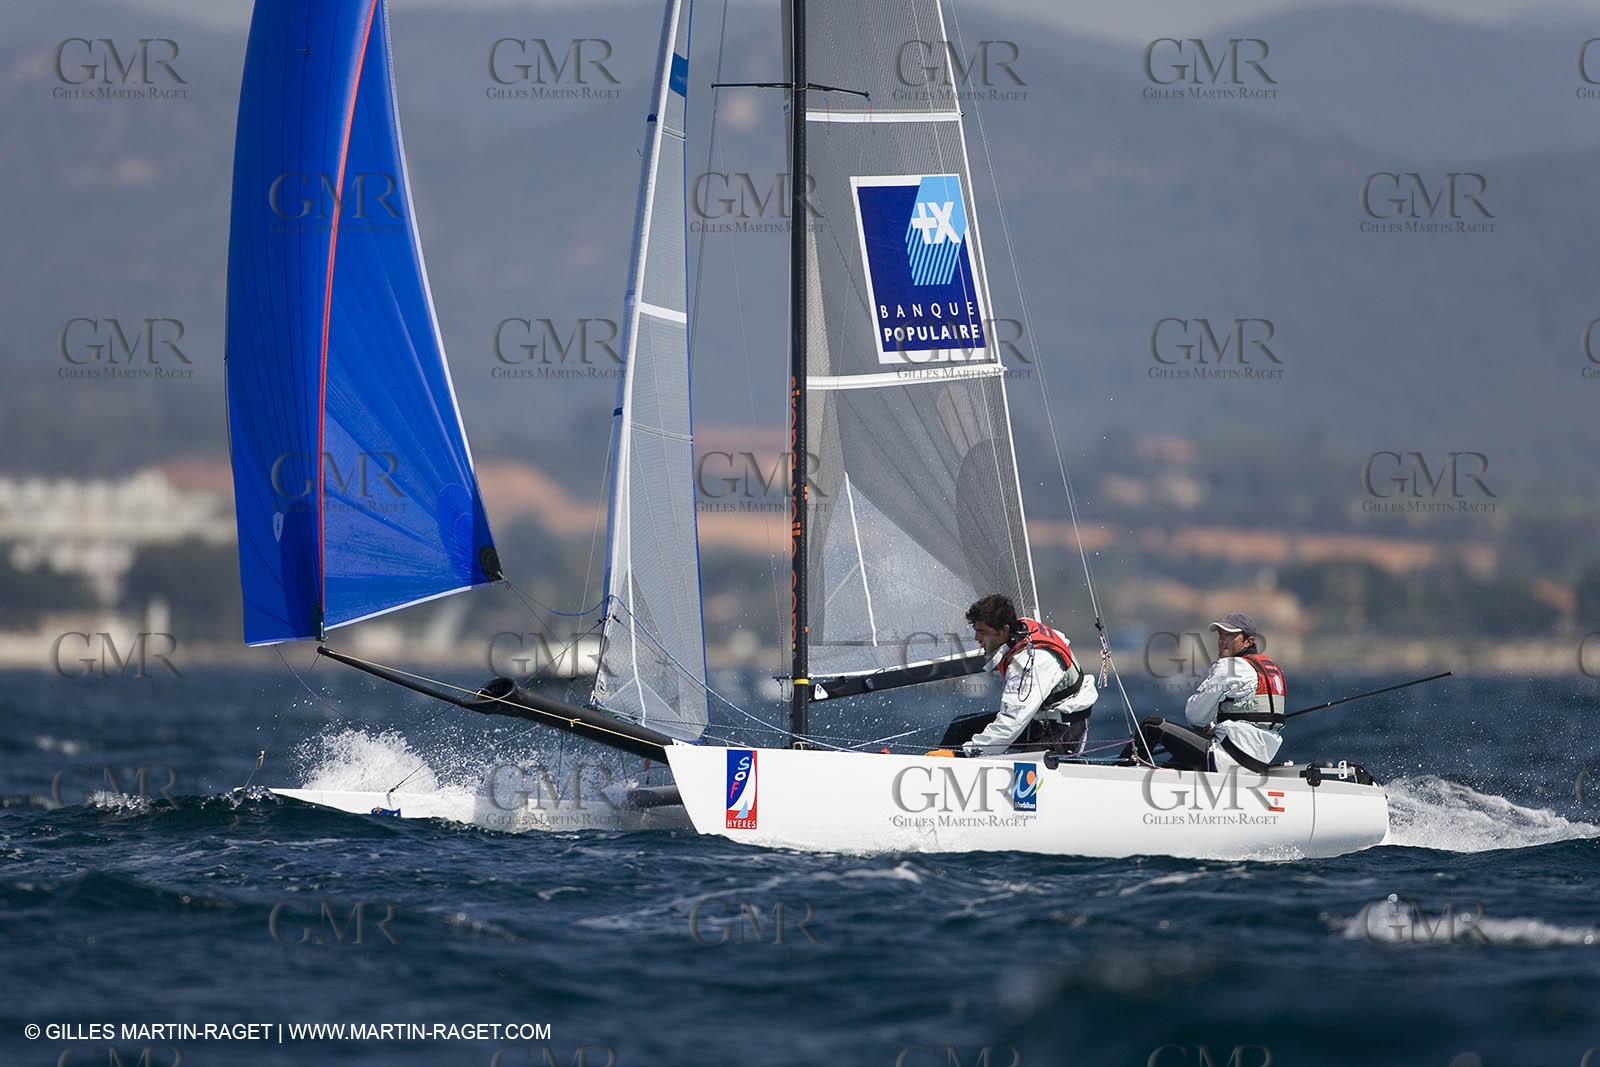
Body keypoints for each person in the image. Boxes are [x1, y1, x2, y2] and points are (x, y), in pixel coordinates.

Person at [1118, 612, 1286, 772]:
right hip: (1259, 761)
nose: (1222, 641)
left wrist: (1205, 726)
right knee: (1175, 760)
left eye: (1230, 636)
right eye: (1221, 635)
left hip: (1229, 758)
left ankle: (1119, 773)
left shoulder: (1230, 667)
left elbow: (1195, 716)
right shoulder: (1271, 668)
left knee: (1151, 726)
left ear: (1248, 641)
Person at [959, 593, 1097, 757]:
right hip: (1038, 719)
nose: (976, 638)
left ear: (1004, 630)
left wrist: (964, 754)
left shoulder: (1032, 661)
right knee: (960, 728)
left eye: (982, 632)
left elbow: (1012, 721)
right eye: (976, 630)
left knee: (1026, 767)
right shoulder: (1019, 630)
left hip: (1064, 727)